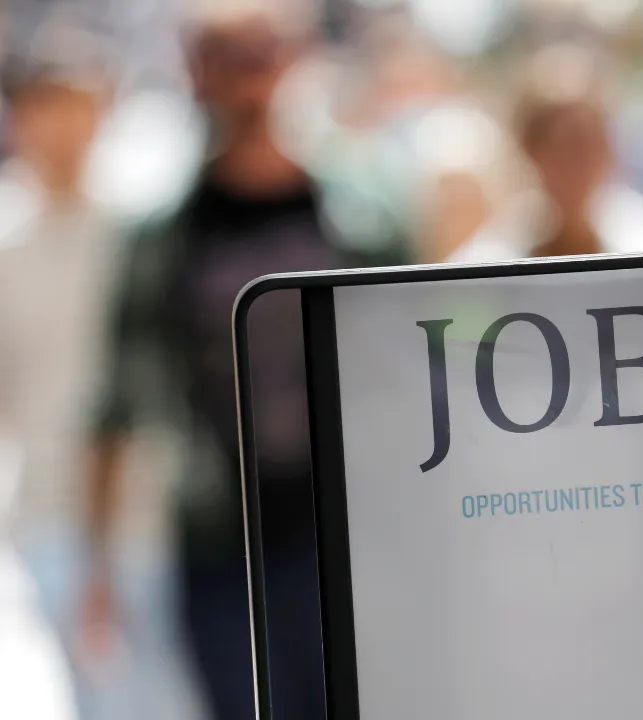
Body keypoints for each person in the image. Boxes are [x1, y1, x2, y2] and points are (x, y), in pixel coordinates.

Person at [84, 2, 410, 719]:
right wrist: (98, 570)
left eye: (262, 57)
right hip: (221, 540)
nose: (249, 81)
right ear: (195, 72)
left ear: (292, 63)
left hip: (350, 529)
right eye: (228, 60)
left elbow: (421, 365)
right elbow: (116, 399)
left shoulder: (362, 213)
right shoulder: (166, 235)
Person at [0, 22, 113, 720]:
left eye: (78, 105)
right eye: (47, 107)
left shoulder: (136, 226)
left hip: (144, 508)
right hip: (45, 505)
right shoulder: (6, 240)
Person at [449, 45, 643, 262]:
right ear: (531, 153)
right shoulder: (494, 256)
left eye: (590, 145)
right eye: (565, 149)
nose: (579, 165)